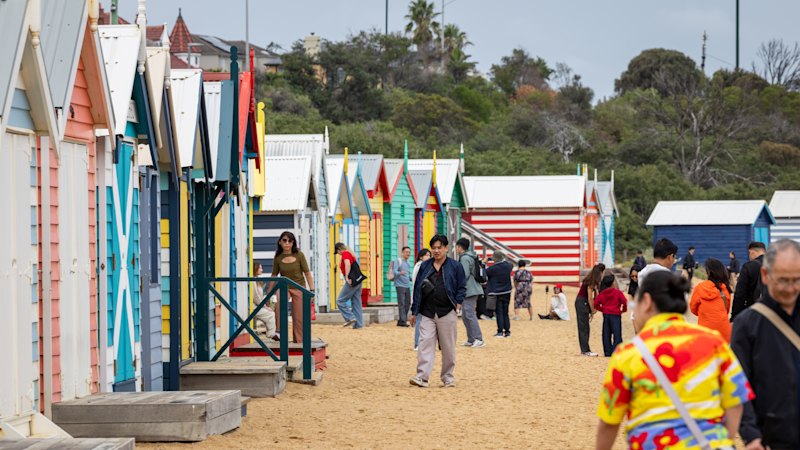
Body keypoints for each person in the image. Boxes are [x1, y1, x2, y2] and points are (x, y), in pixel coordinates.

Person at [595, 271, 753, 450]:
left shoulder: (628, 354)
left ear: (646, 302)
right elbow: (736, 400)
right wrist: (722, 440)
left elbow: (609, 421)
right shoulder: (714, 342)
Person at [731, 239, 800, 450]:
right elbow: (737, 384)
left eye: (796, 280)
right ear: (765, 275)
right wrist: (751, 436)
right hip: (770, 440)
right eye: (782, 280)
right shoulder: (747, 324)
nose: (790, 288)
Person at [409, 235, 466, 388]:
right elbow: (417, 288)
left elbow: (462, 286)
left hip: (447, 311)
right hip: (427, 312)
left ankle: (448, 377)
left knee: (448, 347)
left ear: (446, 248)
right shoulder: (425, 266)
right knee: (425, 343)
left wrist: (458, 304)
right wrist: (414, 311)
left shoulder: (455, 266)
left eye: (439, 247)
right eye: (433, 248)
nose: (436, 251)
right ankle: (422, 377)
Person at [270, 231, 315, 343]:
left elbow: (307, 273)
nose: (287, 243)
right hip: (285, 287)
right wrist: (269, 293)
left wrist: (312, 290)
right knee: (280, 303)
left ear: (293, 242)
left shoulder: (299, 255)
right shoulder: (278, 257)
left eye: (290, 240)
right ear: (280, 242)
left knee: (298, 315)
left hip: (299, 287)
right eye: (284, 240)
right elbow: (274, 275)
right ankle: (279, 332)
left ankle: (299, 341)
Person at [635, 238, 678, 333]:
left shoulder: (642, 273)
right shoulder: (666, 276)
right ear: (670, 257)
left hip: (645, 322)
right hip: (662, 325)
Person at [690, 258, 733, 342]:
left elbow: (693, 309)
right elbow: (726, 310)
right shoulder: (725, 289)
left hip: (705, 332)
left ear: (708, 272)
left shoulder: (699, 288)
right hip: (724, 333)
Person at [455, 238, 485, 348]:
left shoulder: (465, 258)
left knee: (469, 314)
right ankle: (471, 339)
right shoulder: (470, 256)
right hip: (471, 289)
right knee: (465, 315)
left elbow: (464, 274)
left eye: (457, 247)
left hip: (469, 289)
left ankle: (478, 338)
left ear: (460, 247)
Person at [731, 241, 767, 321]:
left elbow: (740, 294)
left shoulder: (749, 266)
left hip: (754, 313)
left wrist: (734, 317)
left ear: (751, 252)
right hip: (775, 315)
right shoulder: (777, 265)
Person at [593, 274, 627, 357]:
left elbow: (596, 303)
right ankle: (617, 351)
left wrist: (602, 309)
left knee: (606, 334)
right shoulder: (617, 292)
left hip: (606, 315)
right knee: (617, 334)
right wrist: (623, 310)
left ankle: (607, 352)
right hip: (616, 315)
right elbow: (624, 301)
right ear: (613, 283)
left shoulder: (603, 293)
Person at [576, 263, 605, 357]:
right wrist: (592, 310)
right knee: (584, 327)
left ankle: (585, 349)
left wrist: (593, 309)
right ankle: (585, 350)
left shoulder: (592, 281)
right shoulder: (591, 282)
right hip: (582, 302)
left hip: (582, 302)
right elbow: (589, 298)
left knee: (584, 326)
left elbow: (595, 297)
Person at [334, 242, 364, 330]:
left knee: (340, 300)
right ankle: (358, 324)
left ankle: (350, 317)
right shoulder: (351, 254)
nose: (338, 254)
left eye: (337, 252)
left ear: (339, 249)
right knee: (356, 302)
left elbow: (347, 264)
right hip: (359, 280)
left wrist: (347, 277)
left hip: (352, 281)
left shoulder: (345, 253)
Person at [486, 251, 513, 338]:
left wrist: (484, 262)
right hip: (507, 291)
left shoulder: (493, 269)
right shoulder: (508, 266)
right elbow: (510, 263)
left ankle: (500, 331)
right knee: (506, 312)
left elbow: (485, 272)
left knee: (499, 312)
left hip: (497, 292)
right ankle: (507, 331)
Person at [410, 248, 431, 351]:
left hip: (423, 296)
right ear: (421, 257)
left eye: (429, 255)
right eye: (426, 255)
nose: (428, 257)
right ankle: (417, 344)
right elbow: (418, 284)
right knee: (419, 320)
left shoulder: (423, 266)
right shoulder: (420, 266)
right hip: (419, 296)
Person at [252, 262, 278, 341]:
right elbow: (256, 297)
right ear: (255, 269)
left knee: (270, 311)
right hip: (254, 307)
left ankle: (271, 334)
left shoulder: (257, 280)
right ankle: (271, 335)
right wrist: (265, 307)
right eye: (260, 268)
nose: (262, 270)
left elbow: (259, 297)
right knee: (270, 314)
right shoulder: (253, 282)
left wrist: (266, 305)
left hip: (257, 305)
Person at [393, 246, 412, 327]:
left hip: (407, 286)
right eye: (406, 252)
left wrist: (412, 278)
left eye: (409, 252)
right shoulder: (398, 261)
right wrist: (400, 273)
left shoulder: (408, 263)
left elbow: (408, 275)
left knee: (407, 303)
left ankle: (401, 320)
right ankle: (403, 321)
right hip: (400, 285)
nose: (408, 254)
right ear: (402, 253)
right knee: (402, 303)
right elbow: (394, 271)